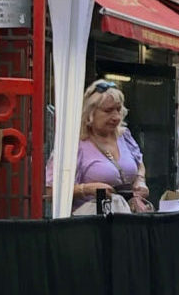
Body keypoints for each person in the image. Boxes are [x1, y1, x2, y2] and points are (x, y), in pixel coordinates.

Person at [48, 80, 151, 215]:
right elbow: (50, 191)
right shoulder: (74, 145)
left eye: (118, 109)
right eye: (108, 111)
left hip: (128, 220)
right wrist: (87, 189)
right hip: (90, 223)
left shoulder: (124, 136)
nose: (116, 117)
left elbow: (139, 163)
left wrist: (140, 180)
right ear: (90, 112)